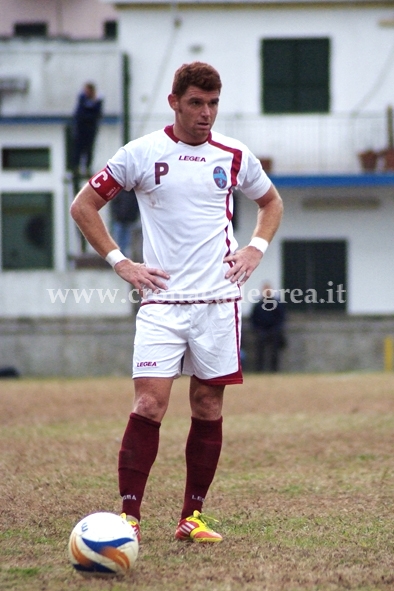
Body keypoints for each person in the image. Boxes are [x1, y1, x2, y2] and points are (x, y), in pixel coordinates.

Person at [70, 61, 283, 543]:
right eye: (196, 103)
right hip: (162, 302)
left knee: (207, 405)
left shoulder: (233, 154)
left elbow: (271, 203)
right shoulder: (141, 153)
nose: (206, 113)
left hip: (217, 302)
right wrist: (122, 262)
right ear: (174, 102)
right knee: (149, 403)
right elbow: (83, 206)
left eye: (212, 104)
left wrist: (255, 247)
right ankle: (129, 519)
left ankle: (192, 518)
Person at [250, 282, 286, 373]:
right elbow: (253, 319)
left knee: (274, 352)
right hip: (261, 331)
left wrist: (276, 330)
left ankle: (274, 370)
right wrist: (258, 330)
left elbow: (281, 318)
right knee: (259, 351)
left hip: (274, 331)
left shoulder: (277, 304)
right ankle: (259, 370)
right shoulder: (258, 305)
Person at [72, 82, 103, 176]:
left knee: (89, 150)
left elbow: (97, 114)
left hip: (90, 130)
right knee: (78, 149)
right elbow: (80, 114)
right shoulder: (82, 100)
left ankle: (87, 167)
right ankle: (76, 167)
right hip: (81, 129)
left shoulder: (97, 101)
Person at [110, 188, 141, 259]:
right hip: (120, 220)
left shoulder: (133, 194)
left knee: (127, 241)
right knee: (119, 241)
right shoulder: (121, 193)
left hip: (129, 220)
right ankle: (119, 257)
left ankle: (125, 257)